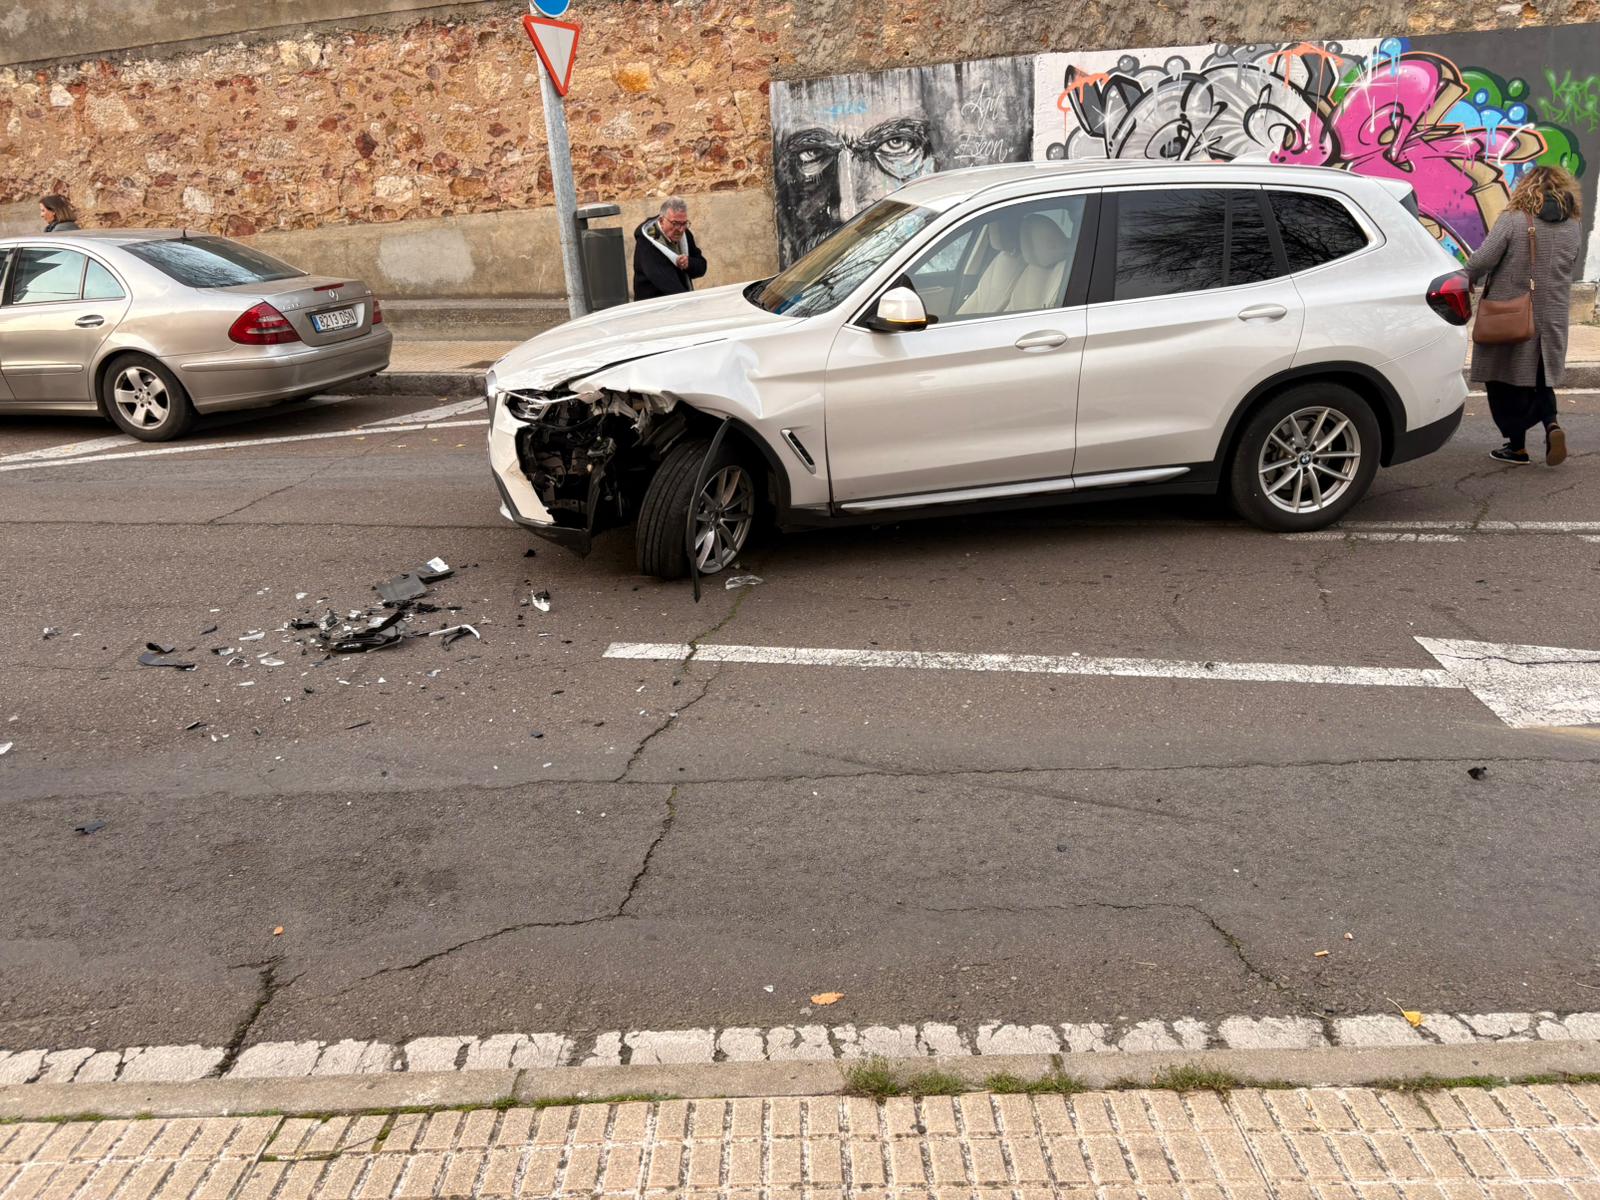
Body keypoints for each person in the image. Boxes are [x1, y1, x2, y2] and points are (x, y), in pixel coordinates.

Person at [1466, 166, 1583, 466]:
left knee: (1502, 379)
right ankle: (1551, 423)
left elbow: (1483, 259)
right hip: (1553, 315)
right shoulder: (1573, 225)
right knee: (1541, 380)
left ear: (1526, 188)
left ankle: (1516, 446)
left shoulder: (1514, 220)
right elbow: (1569, 262)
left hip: (1512, 313)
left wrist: (1465, 277)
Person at [632, 197, 706, 300]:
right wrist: (691, 303)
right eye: (675, 223)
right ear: (662, 220)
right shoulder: (647, 243)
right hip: (653, 307)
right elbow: (666, 282)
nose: (680, 229)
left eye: (684, 223)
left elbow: (702, 267)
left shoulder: (684, 234)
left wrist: (689, 263)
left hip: (679, 301)